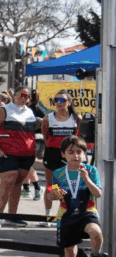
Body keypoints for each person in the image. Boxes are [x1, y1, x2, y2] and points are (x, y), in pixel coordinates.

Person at [51, 136, 106, 257]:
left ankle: (96, 255)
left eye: (79, 152)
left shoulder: (91, 170)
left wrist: (86, 179)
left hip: (87, 210)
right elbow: (52, 195)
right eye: (71, 152)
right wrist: (54, 194)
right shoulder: (58, 173)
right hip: (66, 214)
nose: (75, 155)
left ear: (84, 154)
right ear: (63, 155)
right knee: (70, 250)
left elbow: (98, 194)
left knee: (96, 232)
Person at [0, 86, 39, 225]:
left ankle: (12, 216)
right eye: (21, 94)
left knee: (17, 185)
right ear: (15, 95)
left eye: (27, 96)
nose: (24, 98)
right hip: (7, 153)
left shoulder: (30, 112)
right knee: (7, 183)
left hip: (26, 155)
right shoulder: (4, 110)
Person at [40, 90, 79, 221]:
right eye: (56, 100)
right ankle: (48, 215)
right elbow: (46, 137)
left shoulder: (76, 118)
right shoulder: (48, 118)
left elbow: (79, 138)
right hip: (52, 153)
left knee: (68, 185)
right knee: (51, 185)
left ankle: (67, 214)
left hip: (69, 155)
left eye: (62, 100)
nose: (58, 103)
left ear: (69, 102)